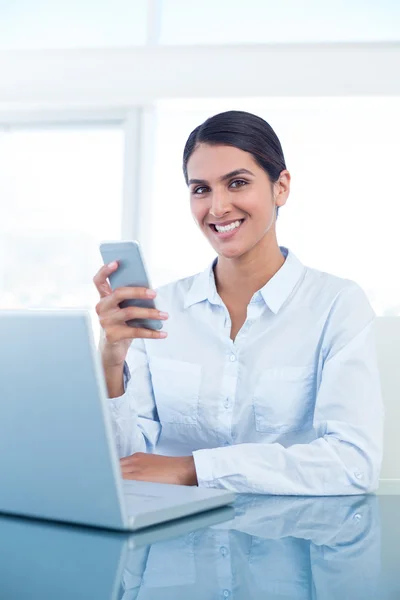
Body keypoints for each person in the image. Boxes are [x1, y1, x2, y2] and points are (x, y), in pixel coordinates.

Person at [93, 110, 384, 495]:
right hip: (170, 545)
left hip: (287, 542)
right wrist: (111, 362)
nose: (217, 207)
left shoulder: (337, 305)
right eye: (201, 189)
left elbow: (353, 465)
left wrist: (191, 469)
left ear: (280, 187)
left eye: (237, 183)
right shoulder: (159, 308)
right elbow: (128, 465)